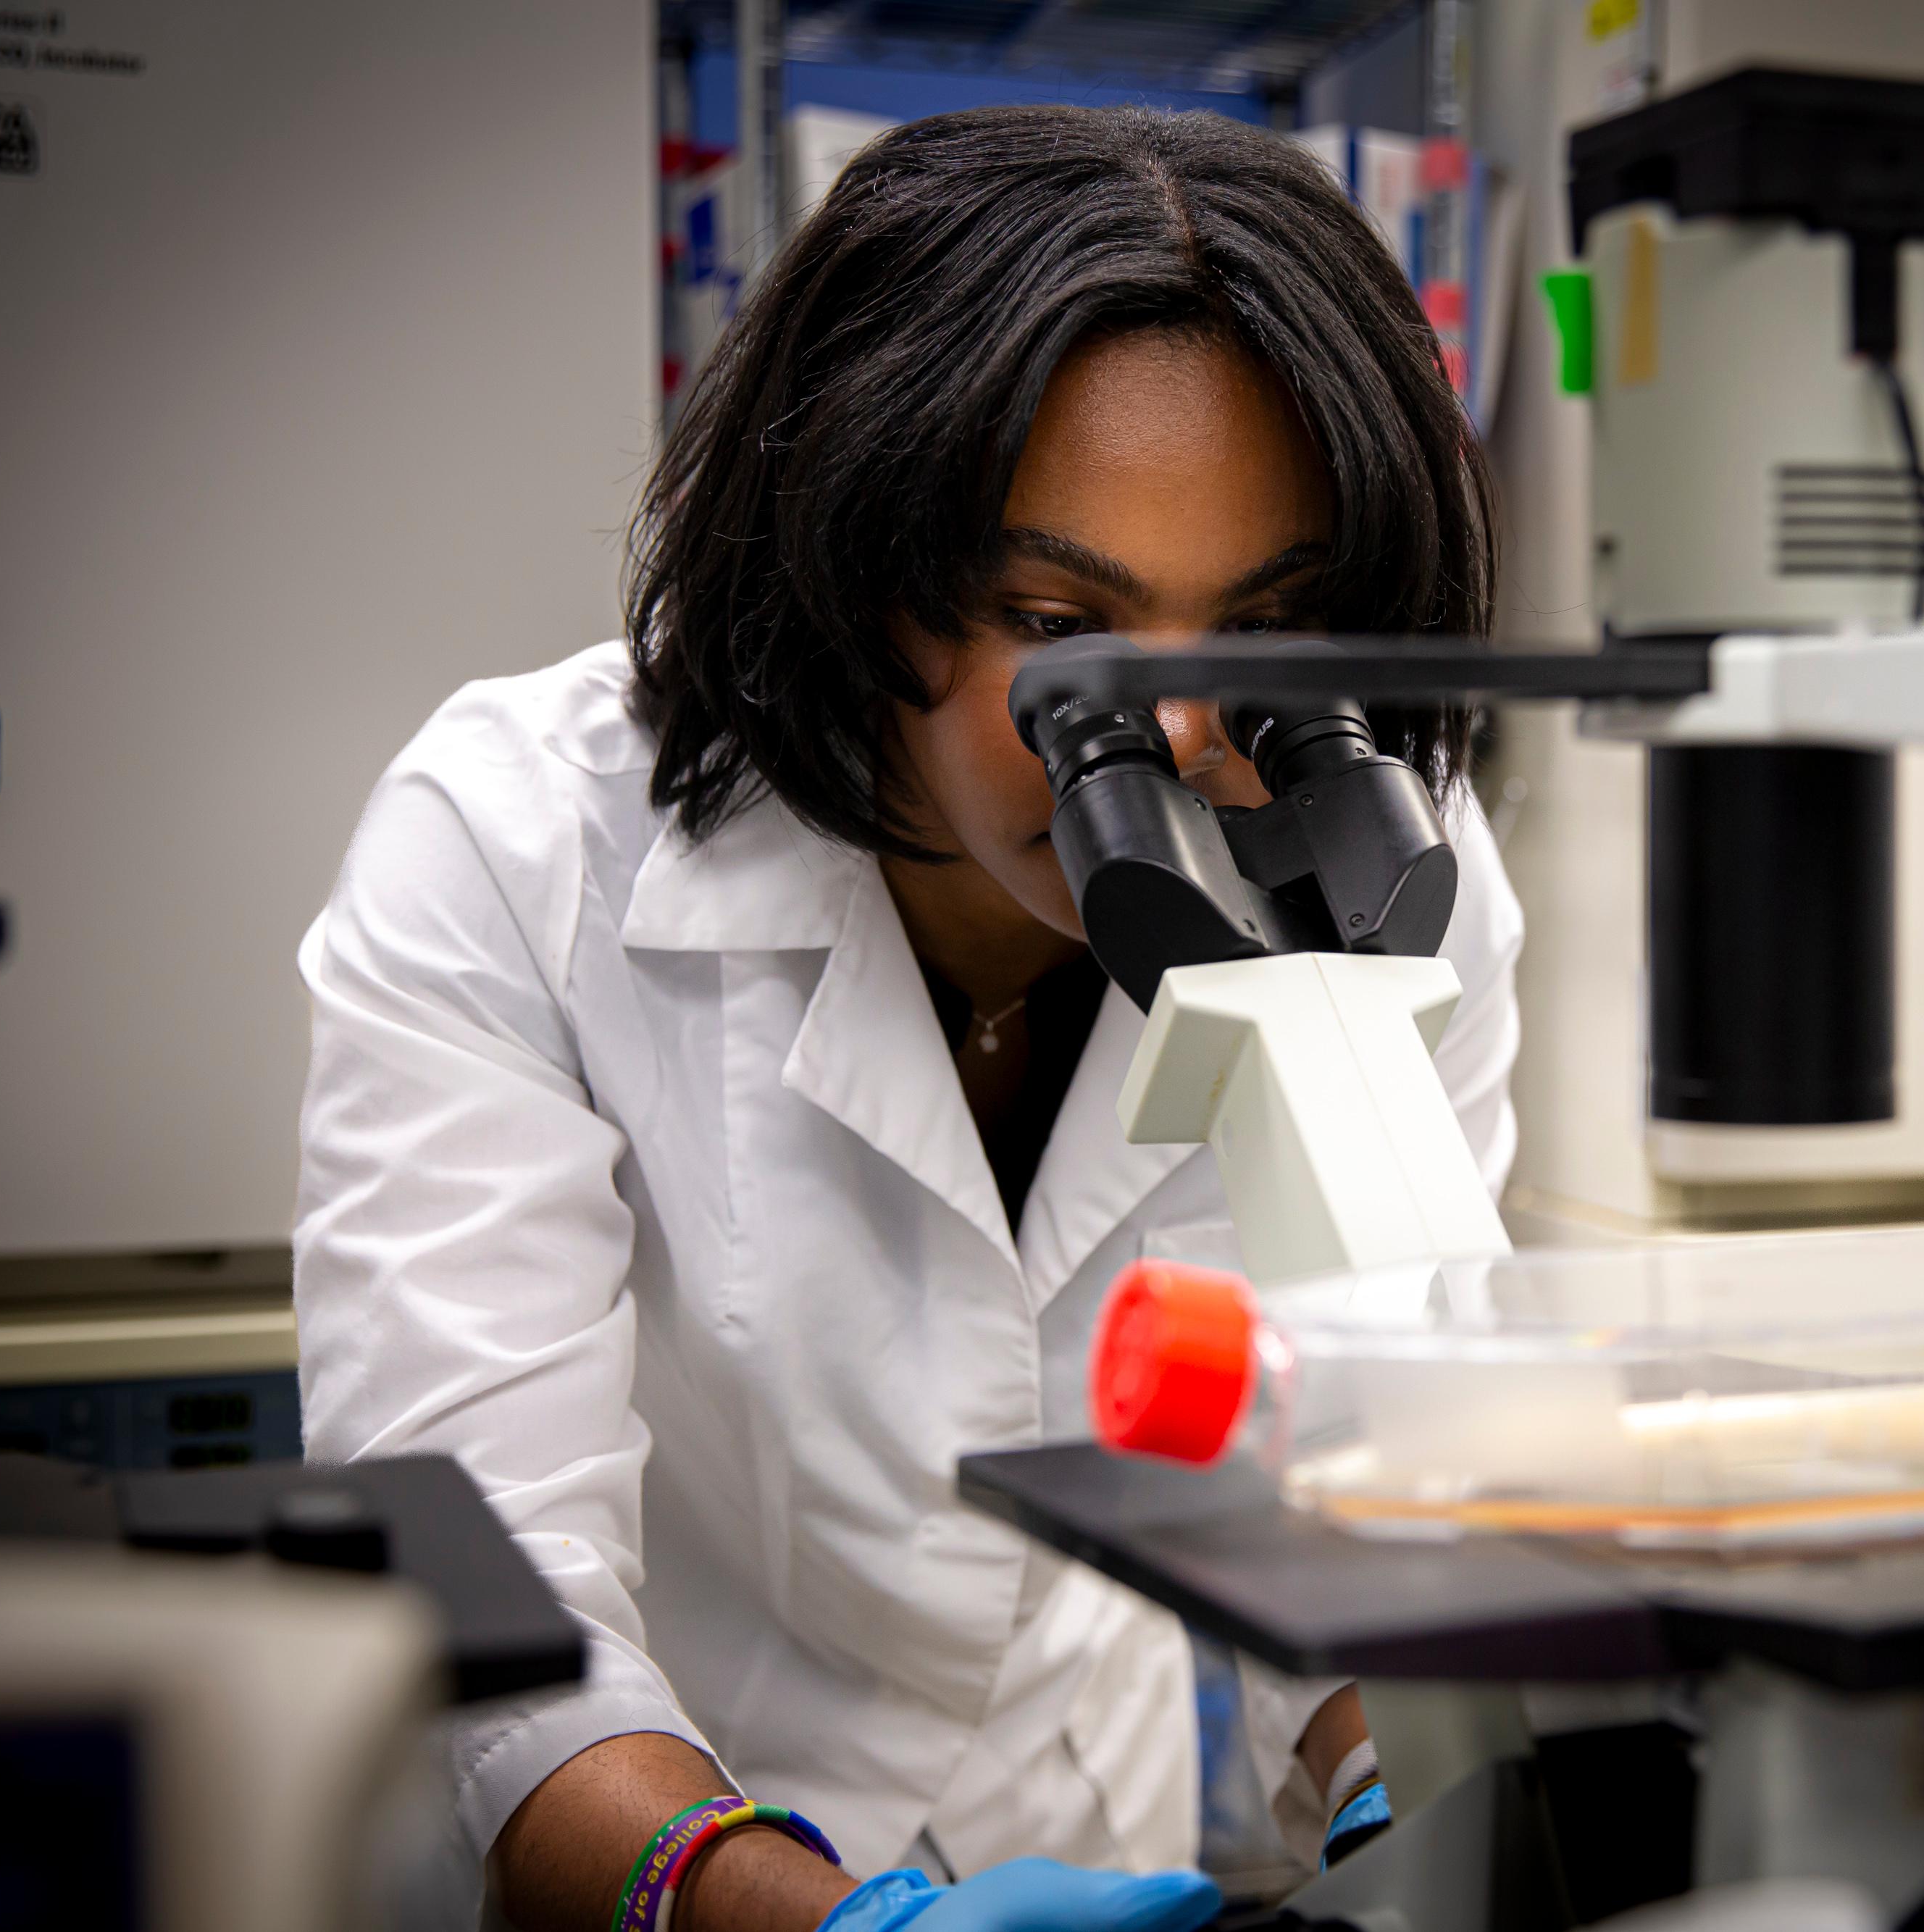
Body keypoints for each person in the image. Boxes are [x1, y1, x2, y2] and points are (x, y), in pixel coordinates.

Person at [294, 104, 1522, 1932]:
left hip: (1096, 1847)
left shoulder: (1385, 885)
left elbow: (1372, 1461)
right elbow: (489, 1588)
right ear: (860, 568)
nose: (1179, 750)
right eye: (1060, 622)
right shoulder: (513, 841)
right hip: (637, 1871)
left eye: (1258, 633)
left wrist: (1417, 1795)